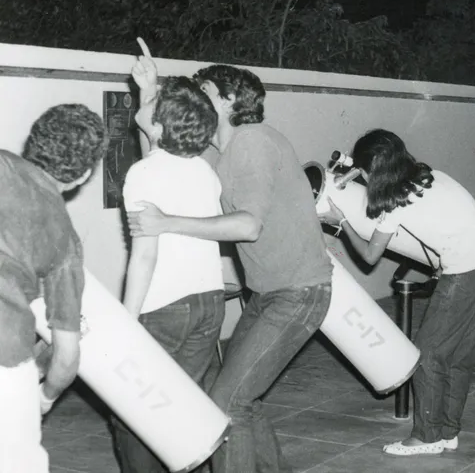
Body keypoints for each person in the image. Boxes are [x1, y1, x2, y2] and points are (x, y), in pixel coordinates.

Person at [127, 64, 333, 473]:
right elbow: (159, 145)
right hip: (272, 293)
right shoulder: (221, 149)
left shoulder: (252, 142)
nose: (196, 96)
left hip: (297, 294)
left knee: (227, 404)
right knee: (242, 400)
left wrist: (167, 222)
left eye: (204, 88)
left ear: (227, 100)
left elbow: (248, 225)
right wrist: (148, 90)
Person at [319, 129, 475, 456]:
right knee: (457, 357)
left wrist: (342, 220)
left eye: (365, 170)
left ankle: (427, 437)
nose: (364, 176)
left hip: (467, 272)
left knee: (428, 353)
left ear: (376, 165)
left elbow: (370, 256)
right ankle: (447, 431)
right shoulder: (433, 176)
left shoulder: (397, 201)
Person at [110, 55, 226, 472]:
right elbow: (158, 152)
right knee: (176, 406)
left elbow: (145, 256)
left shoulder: (143, 174)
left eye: (154, 102)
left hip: (166, 309)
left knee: (134, 412)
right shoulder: (202, 170)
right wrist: (148, 88)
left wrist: (126, 322)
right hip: (209, 304)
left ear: (158, 125)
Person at [0, 104, 107, 473]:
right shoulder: (65, 241)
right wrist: (44, 397)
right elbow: (66, 355)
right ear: (83, 176)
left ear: (33, 140)